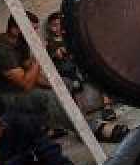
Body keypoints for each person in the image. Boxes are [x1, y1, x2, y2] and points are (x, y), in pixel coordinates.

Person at [0, 11, 69, 136]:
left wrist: (55, 84)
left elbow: (31, 73)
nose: (34, 34)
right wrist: (39, 55)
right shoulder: (0, 50)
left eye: (35, 30)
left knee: (63, 84)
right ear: (14, 30)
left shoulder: (20, 44)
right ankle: (81, 129)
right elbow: (26, 84)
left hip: (5, 88)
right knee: (47, 97)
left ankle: (46, 128)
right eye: (31, 30)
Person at [45, 12, 129, 143]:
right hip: (67, 72)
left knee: (97, 73)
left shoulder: (70, 36)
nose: (57, 27)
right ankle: (81, 120)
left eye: (59, 24)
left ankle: (107, 107)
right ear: (50, 28)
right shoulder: (50, 43)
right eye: (54, 25)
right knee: (72, 85)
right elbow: (60, 55)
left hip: (79, 67)